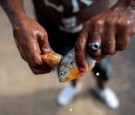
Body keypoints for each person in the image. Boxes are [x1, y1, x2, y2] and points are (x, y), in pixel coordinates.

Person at [1, 0, 135, 109]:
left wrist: (129, 6)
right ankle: (74, 86)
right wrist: (18, 17)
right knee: (67, 68)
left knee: (102, 69)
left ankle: (101, 88)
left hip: (99, 34)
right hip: (54, 31)